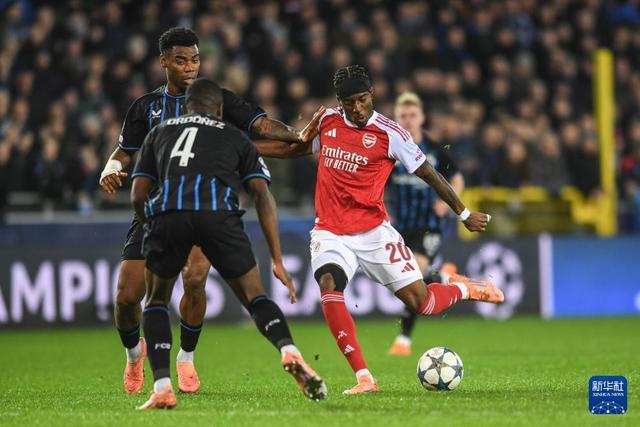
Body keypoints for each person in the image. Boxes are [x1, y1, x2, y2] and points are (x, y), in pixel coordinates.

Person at [254, 65, 503, 395]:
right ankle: (364, 377)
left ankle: (464, 289)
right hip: (330, 231)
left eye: (362, 100)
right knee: (329, 285)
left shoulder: (391, 134)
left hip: (374, 233)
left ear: (372, 95)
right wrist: (246, 147)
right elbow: (295, 149)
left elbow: (430, 174)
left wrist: (464, 213)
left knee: (423, 303)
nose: (357, 108)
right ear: (339, 102)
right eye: (349, 103)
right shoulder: (327, 122)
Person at [99, 27, 315, 394]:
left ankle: (185, 358)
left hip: (204, 204)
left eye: (195, 59)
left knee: (195, 278)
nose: (190, 67)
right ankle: (134, 353)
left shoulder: (219, 99)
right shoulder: (146, 108)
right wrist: (110, 167)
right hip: (156, 208)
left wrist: (296, 135)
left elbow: (261, 127)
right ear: (164, 61)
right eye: (181, 60)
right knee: (126, 296)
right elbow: (125, 152)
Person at [130, 78, 327, 410]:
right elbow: (262, 195)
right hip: (218, 217)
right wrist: (277, 258)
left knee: (156, 301)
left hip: (169, 215)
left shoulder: (159, 133)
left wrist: (154, 228)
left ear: (186, 106)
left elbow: (138, 194)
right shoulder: (235, 137)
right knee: (255, 298)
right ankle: (288, 350)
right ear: (219, 109)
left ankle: (162, 387)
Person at [387, 92, 465, 357]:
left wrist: (447, 201)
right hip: (400, 226)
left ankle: (403, 340)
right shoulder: (390, 147)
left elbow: (457, 178)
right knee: (405, 279)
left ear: (421, 117)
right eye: (403, 116)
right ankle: (443, 277)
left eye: (412, 115)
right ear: (396, 118)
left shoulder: (434, 148)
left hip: (430, 224)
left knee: (416, 272)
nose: (408, 120)